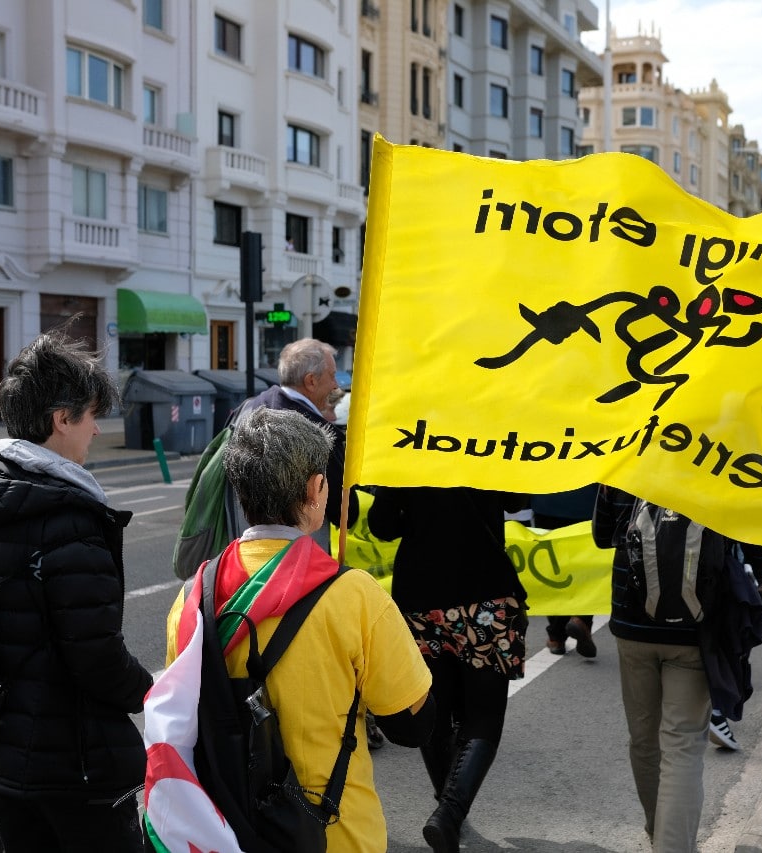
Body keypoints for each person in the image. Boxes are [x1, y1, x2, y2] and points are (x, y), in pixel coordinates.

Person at [0, 332, 153, 853]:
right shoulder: (69, 519)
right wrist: (151, 693)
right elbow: (95, 657)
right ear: (61, 420)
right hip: (67, 759)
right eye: (91, 415)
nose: (97, 429)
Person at [211, 407, 434, 849]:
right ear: (316, 488)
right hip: (332, 830)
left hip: (224, 827)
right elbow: (412, 726)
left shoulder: (196, 593)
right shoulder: (353, 594)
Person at [593, 486, 762, 852]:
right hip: (698, 626)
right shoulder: (725, 460)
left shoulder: (626, 457)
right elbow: (761, 548)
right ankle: (670, 843)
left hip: (632, 619)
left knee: (644, 740)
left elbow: (602, 534)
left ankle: (658, 830)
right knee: (683, 746)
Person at [367, 487, 528, 853]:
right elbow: (517, 501)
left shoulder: (407, 456)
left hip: (421, 600)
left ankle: (447, 805)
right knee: (484, 716)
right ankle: (450, 812)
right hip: (486, 597)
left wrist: (420, 515)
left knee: (434, 710)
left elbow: (382, 525)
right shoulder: (491, 450)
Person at [237, 338, 358, 551]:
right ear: (311, 381)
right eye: (332, 376)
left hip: (246, 551)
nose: (336, 385)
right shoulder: (317, 432)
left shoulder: (249, 409)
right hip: (300, 558)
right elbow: (346, 512)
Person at [531, 485, 601, 658]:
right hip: (587, 502)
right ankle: (581, 619)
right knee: (586, 568)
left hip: (547, 500)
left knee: (554, 571)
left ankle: (556, 636)